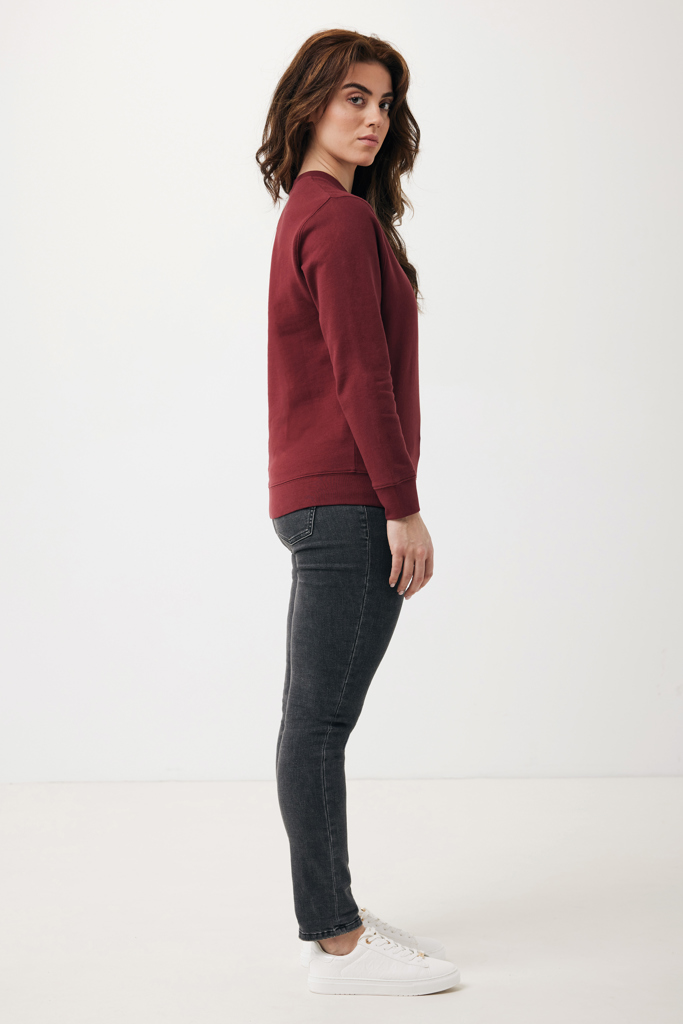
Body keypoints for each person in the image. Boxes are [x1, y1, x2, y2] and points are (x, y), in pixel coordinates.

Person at [255, 29, 460, 996]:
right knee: (318, 724)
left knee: (313, 721)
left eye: (384, 103)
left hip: (321, 496)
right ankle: (336, 942)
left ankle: (332, 915)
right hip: (348, 500)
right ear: (309, 104)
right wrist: (402, 507)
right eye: (353, 98)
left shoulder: (312, 212)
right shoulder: (334, 220)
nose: (374, 117)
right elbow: (360, 375)